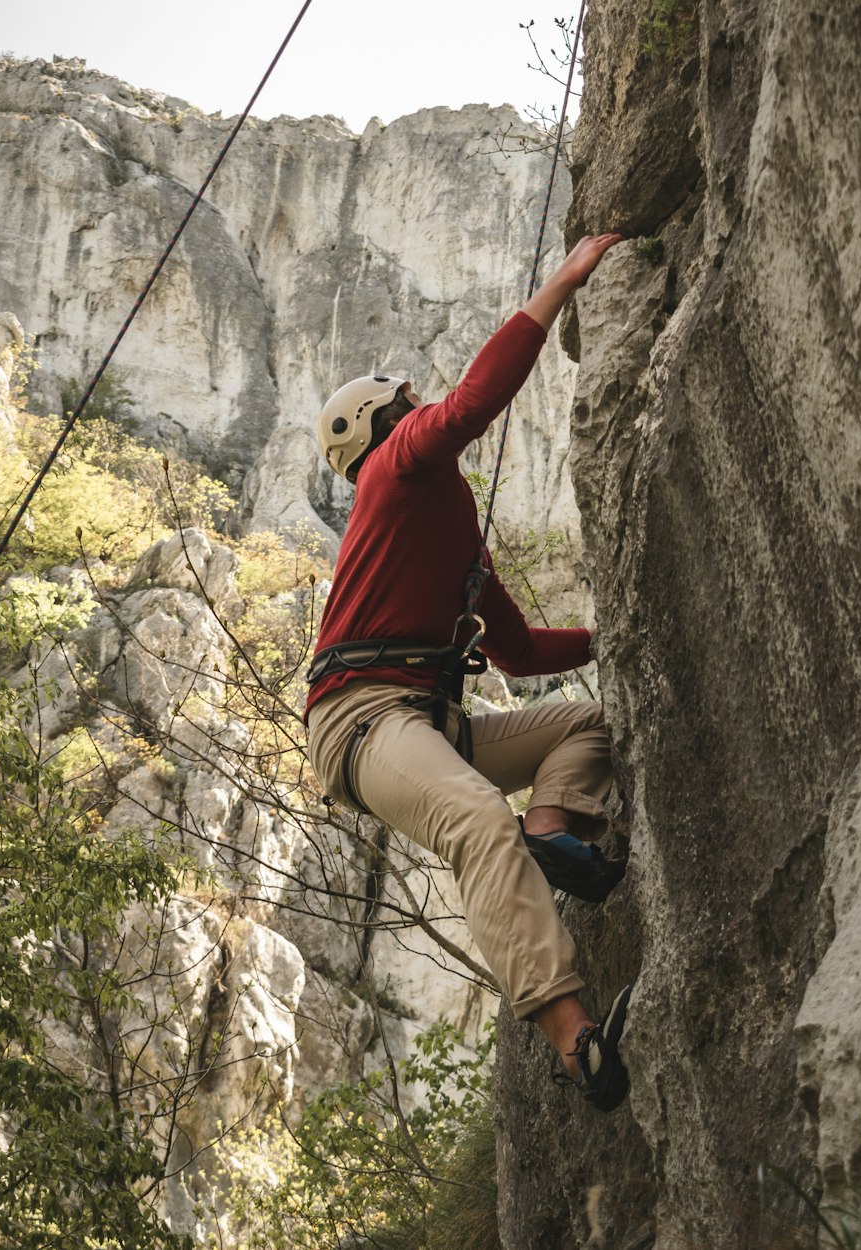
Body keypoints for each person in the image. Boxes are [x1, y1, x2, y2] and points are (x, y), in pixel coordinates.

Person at [305, 234, 634, 1111]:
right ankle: (572, 1037)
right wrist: (560, 285)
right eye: (405, 400)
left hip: (425, 722)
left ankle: (554, 833)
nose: (419, 402)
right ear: (384, 420)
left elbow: (521, 653)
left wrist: (613, 636)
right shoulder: (396, 467)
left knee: (580, 724)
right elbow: (472, 404)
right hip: (362, 723)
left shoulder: (450, 543)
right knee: (476, 817)